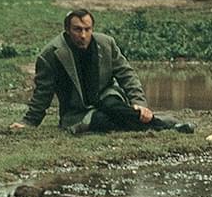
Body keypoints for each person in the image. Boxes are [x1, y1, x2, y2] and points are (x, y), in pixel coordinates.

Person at [10, 9, 194, 135]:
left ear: (93, 29)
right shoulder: (50, 55)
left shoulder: (106, 43)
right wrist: (29, 122)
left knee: (114, 107)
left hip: (106, 95)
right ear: (67, 30)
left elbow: (126, 74)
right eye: (77, 30)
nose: (83, 35)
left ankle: (158, 123)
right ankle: (165, 125)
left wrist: (139, 103)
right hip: (78, 110)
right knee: (102, 120)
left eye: (87, 29)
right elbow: (42, 93)